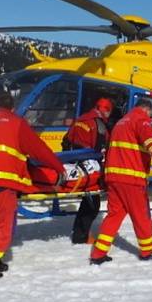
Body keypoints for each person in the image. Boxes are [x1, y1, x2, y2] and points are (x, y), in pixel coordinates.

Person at [0, 90, 65, 281]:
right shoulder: (16, 123)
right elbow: (38, 149)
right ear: (13, 108)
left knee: (0, 220)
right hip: (2, 183)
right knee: (4, 229)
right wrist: (59, 167)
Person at [89, 98, 152, 265]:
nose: (151, 118)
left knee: (114, 215)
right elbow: (151, 142)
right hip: (131, 178)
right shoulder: (141, 120)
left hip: (113, 178)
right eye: (151, 114)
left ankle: (98, 254)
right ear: (146, 110)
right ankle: (147, 250)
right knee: (141, 215)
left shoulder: (120, 123)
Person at [62, 97, 113, 244]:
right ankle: (81, 236)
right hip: (88, 168)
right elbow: (101, 149)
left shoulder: (80, 119)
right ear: (105, 110)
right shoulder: (99, 125)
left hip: (72, 165)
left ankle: (80, 233)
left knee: (89, 200)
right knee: (92, 204)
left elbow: (66, 141)